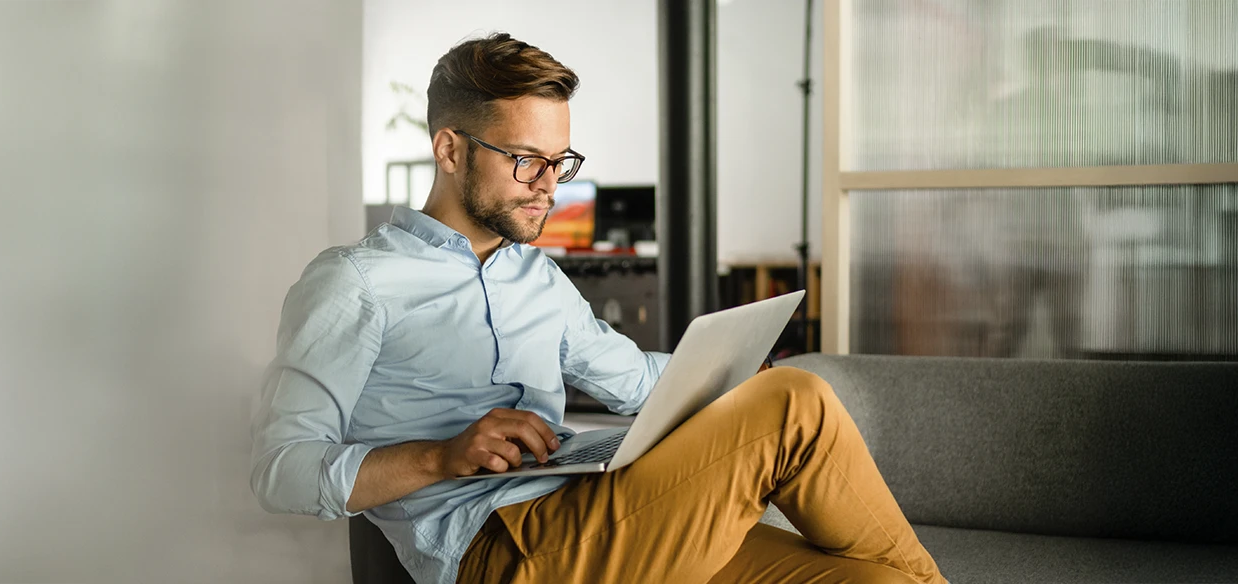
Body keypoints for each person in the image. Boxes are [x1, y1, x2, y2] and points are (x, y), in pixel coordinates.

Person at [250, 32, 947, 584]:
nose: (550, 186)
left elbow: (637, 382)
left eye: (561, 161)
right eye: (527, 160)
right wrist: (442, 456)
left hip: (593, 506)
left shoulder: (537, 278)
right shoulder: (355, 282)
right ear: (450, 149)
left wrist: (731, 372)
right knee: (798, 400)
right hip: (499, 550)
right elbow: (280, 470)